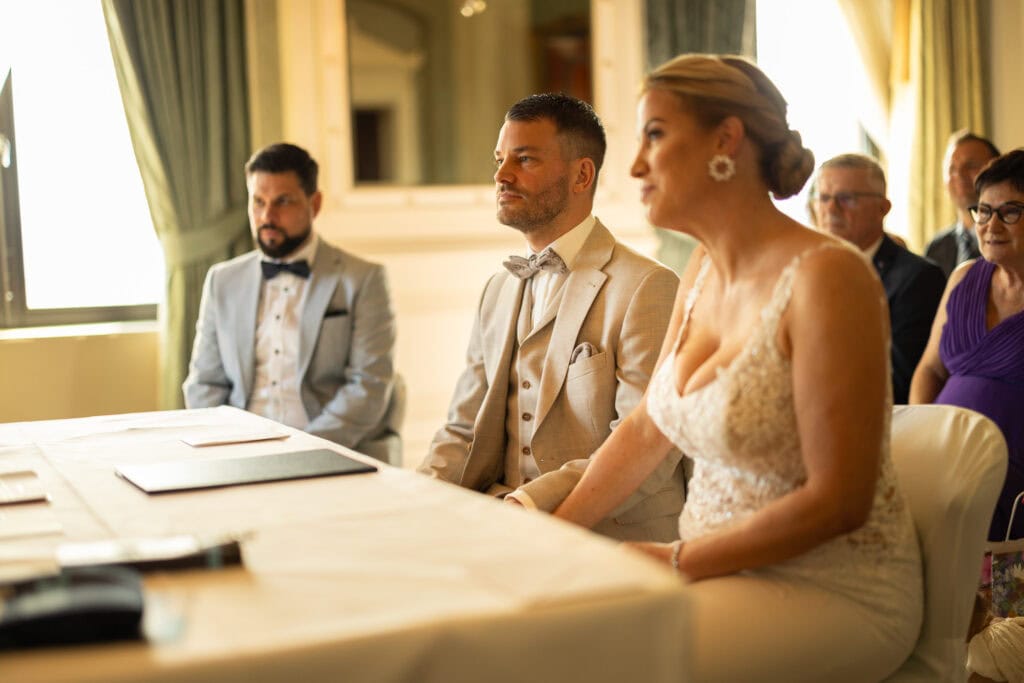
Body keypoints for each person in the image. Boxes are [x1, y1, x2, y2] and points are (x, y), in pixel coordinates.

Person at [516, 55, 923, 681]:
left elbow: (841, 499)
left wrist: (680, 559)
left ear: (725, 140)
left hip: (832, 590)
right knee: (527, 624)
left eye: (655, 134)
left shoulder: (828, 276)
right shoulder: (701, 271)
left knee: (598, 659)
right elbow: (649, 429)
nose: (634, 166)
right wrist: (557, 534)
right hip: (709, 574)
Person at [418, 94, 686, 542]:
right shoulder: (497, 290)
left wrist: (527, 506)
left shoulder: (647, 286)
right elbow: (464, 428)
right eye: (500, 160)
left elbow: (647, 452)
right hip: (502, 521)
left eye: (524, 160)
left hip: (612, 537)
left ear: (582, 174)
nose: (502, 176)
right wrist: (416, 495)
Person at [183, 143, 399, 461]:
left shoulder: (364, 279)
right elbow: (204, 383)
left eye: (283, 202)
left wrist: (301, 449)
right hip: (238, 452)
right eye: (258, 202)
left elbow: (368, 386)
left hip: (329, 450)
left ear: (315, 204)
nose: (267, 216)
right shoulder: (222, 281)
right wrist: (230, 445)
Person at [911, 149, 1024, 541]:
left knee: (1004, 602)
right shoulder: (963, 277)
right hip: (940, 470)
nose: (991, 224)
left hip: (1014, 492)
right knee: (942, 596)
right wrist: (917, 443)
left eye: (1010, 211)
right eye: (983, 210)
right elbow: (930, 368)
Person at [811, 154, 946, 404]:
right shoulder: (804, 272)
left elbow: (898, 380)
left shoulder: (918, 279)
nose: (831, 209)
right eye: (824, 198)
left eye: (846, 199)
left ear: (882, 208)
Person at [925, 130, 1001, 278]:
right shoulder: (936, 247)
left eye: (971, 165)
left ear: (996, 170)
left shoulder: (1010, 239)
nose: (959, 174)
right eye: (951, 168)